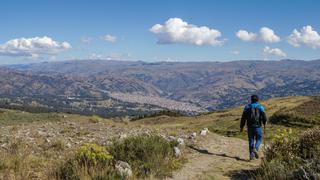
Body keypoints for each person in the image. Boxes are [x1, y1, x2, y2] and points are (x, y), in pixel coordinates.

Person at [240, 95, 267, 160]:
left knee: (251, 140)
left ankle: (251, 155)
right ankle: (256, 148)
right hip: (258, 126)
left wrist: (241, 127)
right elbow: (264, 117)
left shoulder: (247, 107)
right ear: (258, 100)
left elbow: (243, 118)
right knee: (259, 139)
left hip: (250, 127)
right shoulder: (261, 107)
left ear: (251, 100)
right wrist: (264, 123)